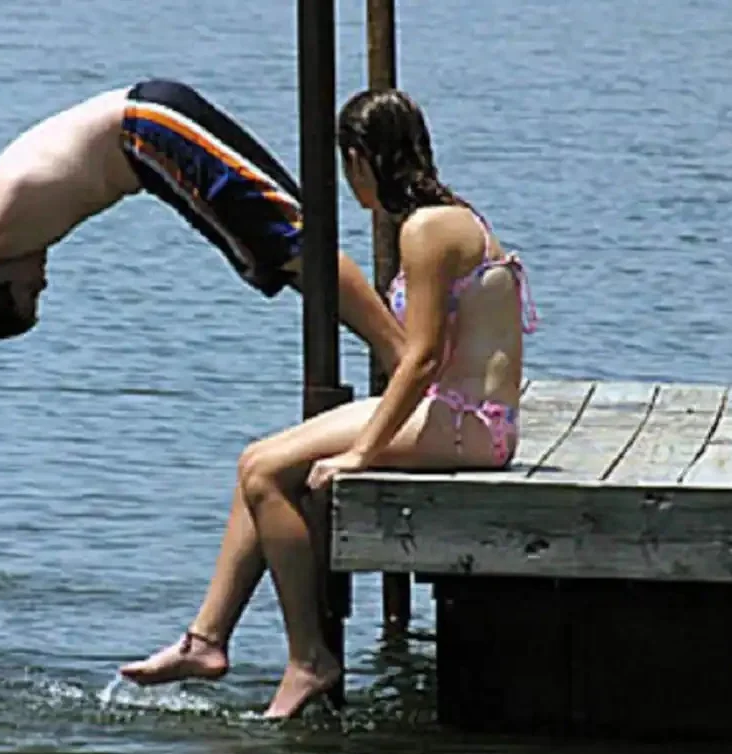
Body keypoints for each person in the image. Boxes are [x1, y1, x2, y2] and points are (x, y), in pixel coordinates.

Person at [119, 88, 539, 719]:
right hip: (461, 415)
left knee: (266, 474)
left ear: (360, 160)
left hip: (469, 427)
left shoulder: (427, 230)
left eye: (349, 167)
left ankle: (308, 658)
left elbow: (420, 357)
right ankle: (206, 639)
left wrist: (362, 453)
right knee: (258, 459)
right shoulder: (445, 219)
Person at [0, 78, 405, 469]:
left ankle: (401, 356)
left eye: (30, 291)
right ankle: (399, 352)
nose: (44, 281)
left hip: (148, 129)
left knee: (294, 244)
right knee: (270, 258)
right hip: (149, 146)